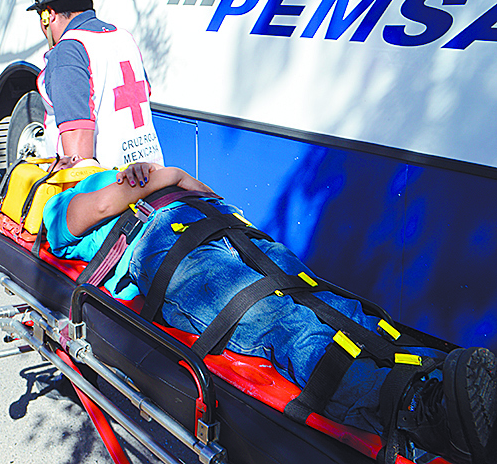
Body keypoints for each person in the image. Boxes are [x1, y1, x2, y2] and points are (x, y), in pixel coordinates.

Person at [40, 158, 497, 464]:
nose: (77, 161)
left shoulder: (129, 176)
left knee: (319, 297)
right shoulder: (58, 203)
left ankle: (439, 380)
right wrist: (158, 179)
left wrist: (165, 177)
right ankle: (412, 409)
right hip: (159, 249)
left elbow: (208, 193)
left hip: (214, 226)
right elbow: (94, 209)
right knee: (278, 321)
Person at [25, 0, 165, 169]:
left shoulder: (68, 51)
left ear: (48, 15)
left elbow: (78, 161)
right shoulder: (123, 36)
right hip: (149, 177)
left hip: (107, 191)